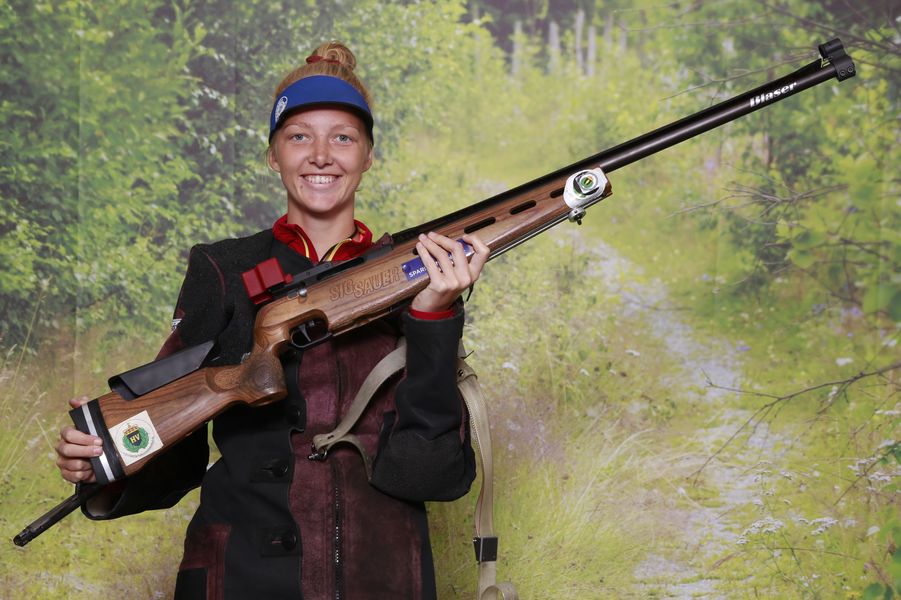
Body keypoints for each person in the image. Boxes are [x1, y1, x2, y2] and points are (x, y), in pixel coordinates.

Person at [54, 41, 489, 599]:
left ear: (368, 157)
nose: (321, 155)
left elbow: (428, 474)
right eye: (299, 136)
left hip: (384, 579)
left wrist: (433, 317)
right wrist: (104, 463)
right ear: (273, 155)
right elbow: (175, 445)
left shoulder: (421, 276)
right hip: (241, 577)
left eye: (343, 138)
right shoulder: (225, 269)